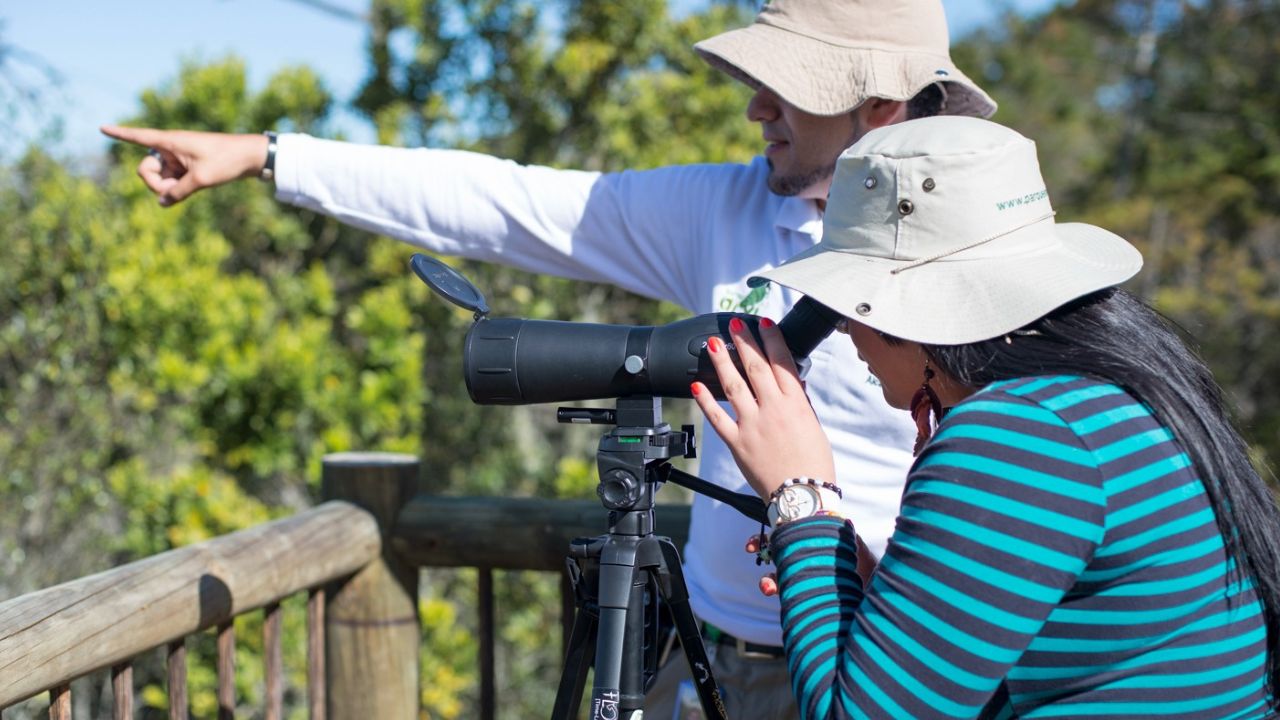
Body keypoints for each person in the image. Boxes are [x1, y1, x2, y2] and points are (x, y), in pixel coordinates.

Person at [101, 1, 997, 715]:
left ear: (879, 106)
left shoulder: (980, 255)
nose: (755, 105)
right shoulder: (724, 211)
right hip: (706, 660)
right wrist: (271, 155)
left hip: (872, 673)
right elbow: (502, 202)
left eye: (787, 87)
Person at [692, 115, 1280, 717]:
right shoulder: (1107, 395)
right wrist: (883, 591)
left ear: (907, 306)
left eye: (849, 301)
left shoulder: (1018, 436)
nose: (843, 325)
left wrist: (802, 496)